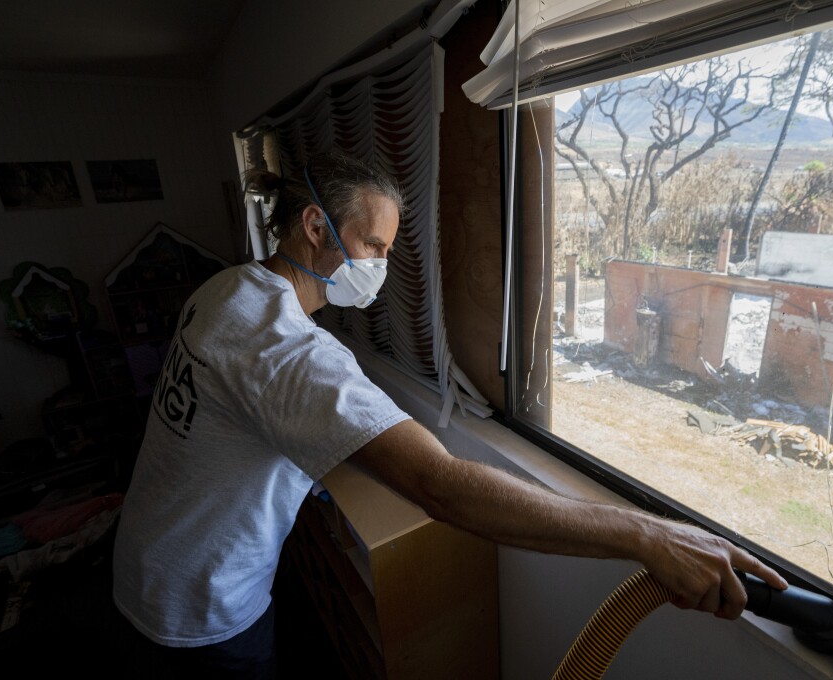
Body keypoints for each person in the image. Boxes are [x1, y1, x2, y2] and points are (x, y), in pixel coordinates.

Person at [111, 149, 787, 678]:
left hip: (150, 557)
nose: (379, 265)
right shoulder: (285, 348)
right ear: (316, 226)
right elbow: (442, 486)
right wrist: (649, 536)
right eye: (373, 246)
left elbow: (235, 419)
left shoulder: (231, 288)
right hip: (200, 604)